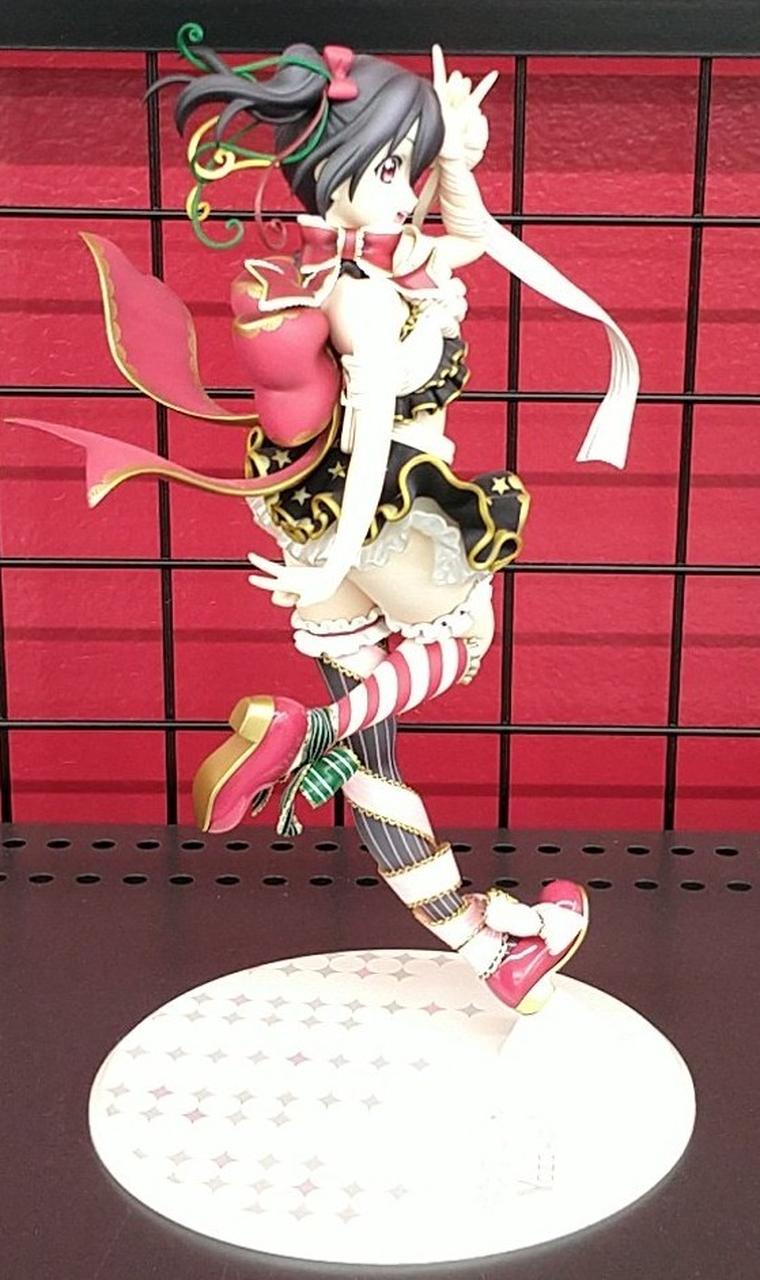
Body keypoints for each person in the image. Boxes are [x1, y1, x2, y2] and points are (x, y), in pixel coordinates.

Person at [7, 30, 641, 1015]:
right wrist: (341, 551)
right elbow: (378, 425)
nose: (402, 187)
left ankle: (490, 949)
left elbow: (473, 236)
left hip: (320, 522)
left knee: (377, 774)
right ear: (332, 168)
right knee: (465, 634)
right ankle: (307, 731)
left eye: (406, 167)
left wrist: (456, 158)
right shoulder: (363, 296)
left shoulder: (349, 263)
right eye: (388, 167)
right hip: (385, 517)